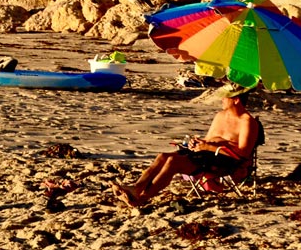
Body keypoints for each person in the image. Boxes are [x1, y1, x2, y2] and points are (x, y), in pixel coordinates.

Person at [112, 88, 263, 210]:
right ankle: (136, 188)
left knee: (173, 162)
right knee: (163, 156)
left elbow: (242, 154)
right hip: (206, 153)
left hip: (225, 162)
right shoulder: (220, 115)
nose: (222, 99)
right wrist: (197, 143)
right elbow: (209, 138)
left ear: (236, 100)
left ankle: (141, 199)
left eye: (225, 97)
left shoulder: (247, 122)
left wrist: (208, 146)